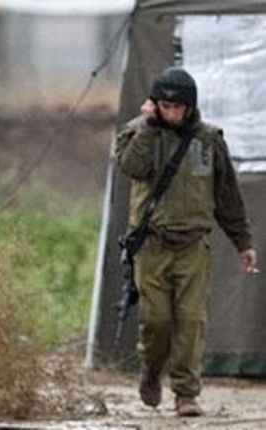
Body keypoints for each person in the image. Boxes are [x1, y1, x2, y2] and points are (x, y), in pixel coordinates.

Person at [114, 67, 257, 417]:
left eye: (179, 108)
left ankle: (185, 393)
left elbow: (227, 196)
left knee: (191, 321)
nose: (173, 113)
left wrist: (243, 242)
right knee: (157, 320)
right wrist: (148, 126)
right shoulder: (138, 132)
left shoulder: (208, 141)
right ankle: (151, 370)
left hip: (193, 245)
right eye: (165, 106)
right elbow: (131, 166)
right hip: (152, 245)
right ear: (155, 104)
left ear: (190, 107)